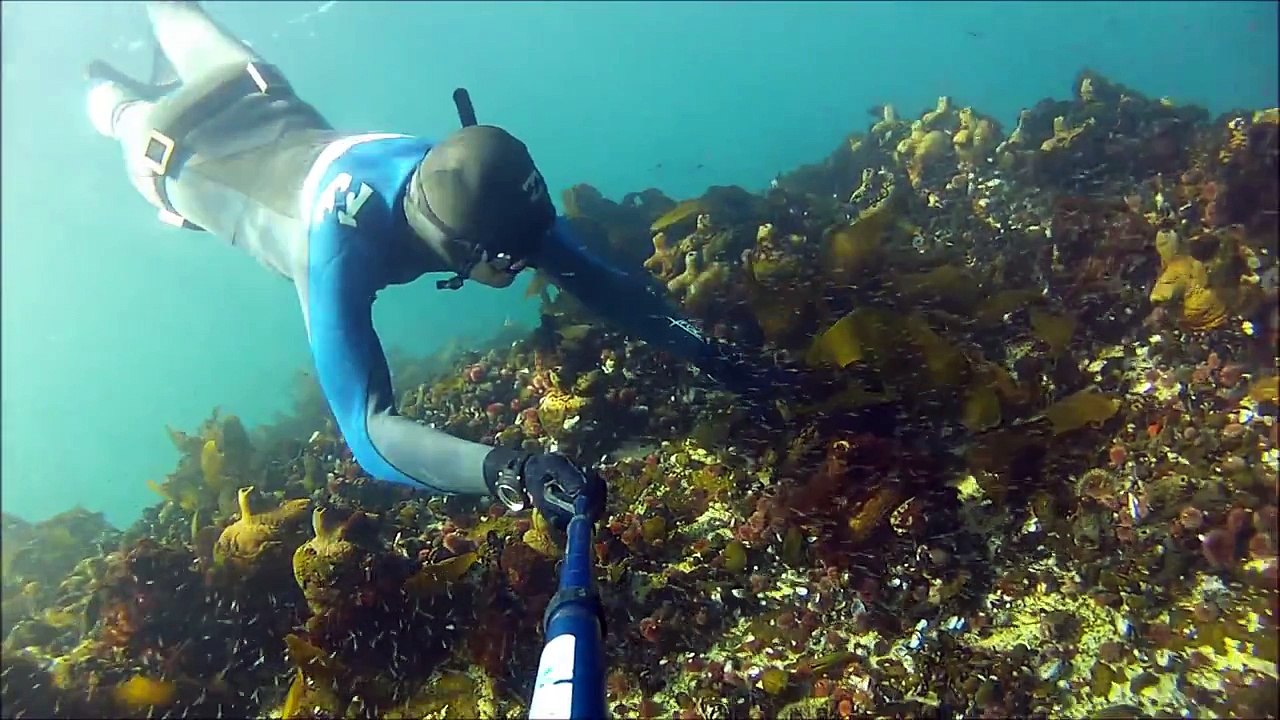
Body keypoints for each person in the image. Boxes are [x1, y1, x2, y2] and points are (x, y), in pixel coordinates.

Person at [85, 1, 776, 527]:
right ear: (469, 253)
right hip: (171, 148)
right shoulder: (332, 253)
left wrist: (712, 356)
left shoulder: (471, 183)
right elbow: (368, 432)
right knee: (109, 101)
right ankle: (96, 88)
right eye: (514, 259)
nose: (530, 262)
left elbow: (600, 282)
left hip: (249, 89)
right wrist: (511, 471)